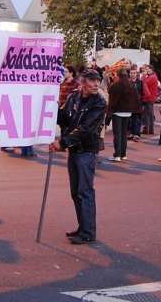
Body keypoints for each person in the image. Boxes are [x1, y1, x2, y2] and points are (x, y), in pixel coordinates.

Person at [49, 69, 106, 245]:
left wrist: (62, 143)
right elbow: (66, 120)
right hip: (74, 150)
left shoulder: (99, 102)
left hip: (87, 151)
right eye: (93, 80)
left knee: (85, 191)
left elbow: (86, 129)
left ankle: (88, 232)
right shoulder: (74, 97)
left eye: (98, 81)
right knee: (76, 192)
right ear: (83, 81)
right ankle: (83, 227)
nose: (96, 84)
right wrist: (53, 108)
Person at [106, 68, 142, 162]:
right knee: (123, 133)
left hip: (117, 111)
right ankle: (123, 154)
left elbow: (112, 101)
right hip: (128, 112)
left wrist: (108, 116)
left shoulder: (115, 86)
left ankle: (117, 154)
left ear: (118, 75)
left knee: (117, 133)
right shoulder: (130, 85)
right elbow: (135, 99)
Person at [141, 64, 159, 135]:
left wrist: (143, 76)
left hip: (149, 98)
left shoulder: (152, 77)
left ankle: (146, 128)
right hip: (151, 97)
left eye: (147, 69)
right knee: (150, 114)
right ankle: (151, 128)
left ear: (151, 69)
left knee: (147, 114)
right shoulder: (153, 77)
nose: (146, 71)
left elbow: (144, 83)